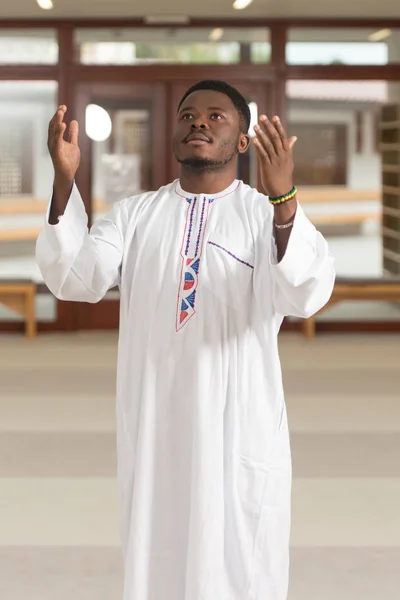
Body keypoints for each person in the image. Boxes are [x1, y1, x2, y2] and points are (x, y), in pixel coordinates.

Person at [36, 80, 335, 600]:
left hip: (239, 433)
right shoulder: (135, 215)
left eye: (216, 116)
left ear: (243, 142)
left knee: (241, 564)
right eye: (189, 115)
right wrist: (65, 182)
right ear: (174, 133)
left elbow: (304, 293)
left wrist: (284, 199)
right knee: (158, 560)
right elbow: (75, 278)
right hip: (156, 429)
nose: (199, 122)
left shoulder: (264, 216)